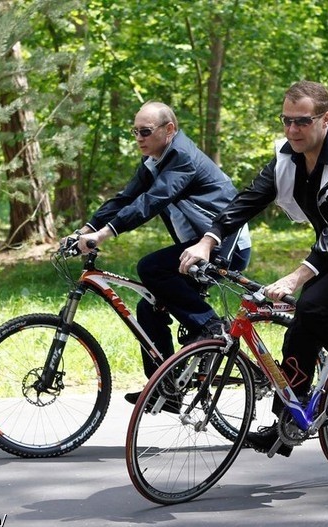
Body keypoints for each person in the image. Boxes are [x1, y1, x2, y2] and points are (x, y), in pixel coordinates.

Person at [180, 81, 328, 456]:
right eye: (286, 121)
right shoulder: (289, 158)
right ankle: (287, 424)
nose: (291, 131)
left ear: (325, 119)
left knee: (313, 305)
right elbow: (248, 201)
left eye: (301, 122)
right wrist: (209, 239)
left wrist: (297, 275)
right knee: (299, 331)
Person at [68, 101, 251, 404]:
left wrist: (105, 234)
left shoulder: (182, 157)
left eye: (145, 131)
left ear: (169, 130)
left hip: (222, 244)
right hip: (193, 248)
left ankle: (210, 326)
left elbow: (152, 200)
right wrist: (86, 229)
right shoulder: (153, 161)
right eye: (135, 131)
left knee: (151, 268)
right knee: (148, 308)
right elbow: (125, 199)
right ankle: (168, 389)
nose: (138, 137)